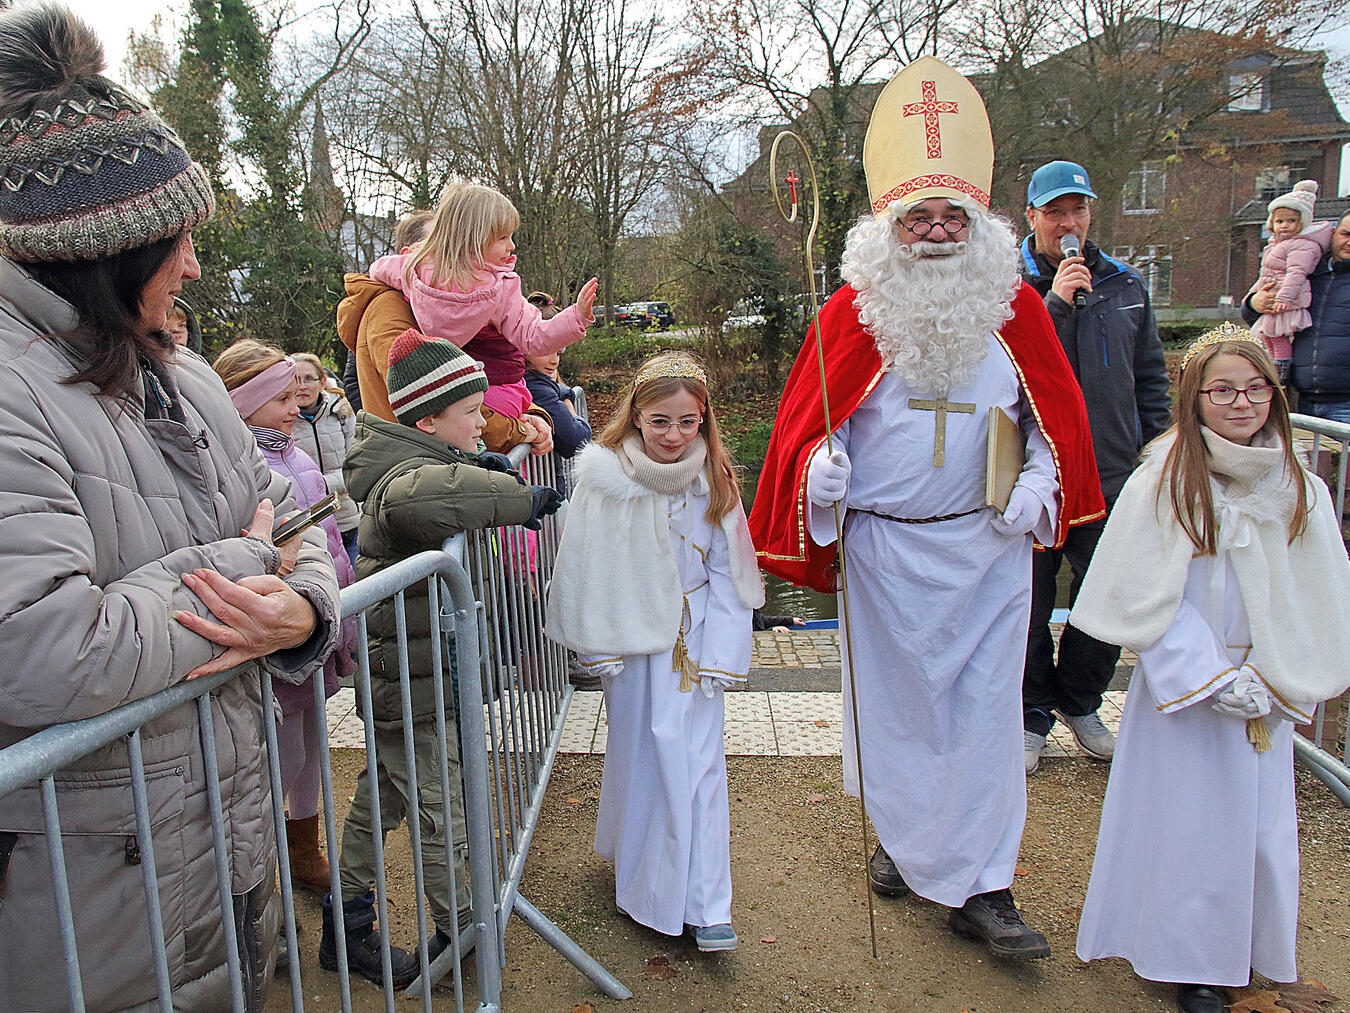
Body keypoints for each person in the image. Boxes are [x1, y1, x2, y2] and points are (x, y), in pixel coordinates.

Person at [0, 7, 341, 1009]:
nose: (193, 266)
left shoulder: (178, 374)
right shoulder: (11, 394)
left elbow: (288, 515)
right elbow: (43, 645)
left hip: (221, 842)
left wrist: (304, 610)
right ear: (110, 252)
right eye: (180, 241)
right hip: (93, 894)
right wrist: (243, 570)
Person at [749, 58, 1102, 960]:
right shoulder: (847, 315)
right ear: (889, 225)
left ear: (977, 223)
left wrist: (1040, 484)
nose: (938, 231)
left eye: (953, 216)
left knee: (984, 718)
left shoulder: (1015, 309)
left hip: (986, 550)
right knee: (901, 717)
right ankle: (908, 845)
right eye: (920, 217)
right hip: (884, 555)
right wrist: (821, 472)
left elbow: (1050, 418)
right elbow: (805, 432)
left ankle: (985, 885)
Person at [1069, 324, 1350, 1013]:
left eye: (1256, 388)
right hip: (1190, 690)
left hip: (1266, 685)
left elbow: (1315, 590)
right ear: (1195, 399)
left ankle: (1252, 948)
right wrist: (1211, 675)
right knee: (1189, 825)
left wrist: (1277, 673)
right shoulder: (1163, 478)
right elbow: (1144, 593)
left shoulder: (1298, 486)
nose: (1241, 402)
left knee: (1256, 828)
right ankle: (1188, 958)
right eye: (1222, 390)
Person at [323, 331, 562, 987]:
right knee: (442, 815)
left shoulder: (414, 457)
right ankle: (463, 938)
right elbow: (432, 494)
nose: (483, 423)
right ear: (428, 420)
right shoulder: (402, 477)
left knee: (380, 801)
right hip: (416, 691)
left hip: (411, 681)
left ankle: (346, 924)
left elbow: (457, 476)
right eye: (470, 413)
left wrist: (490, 466)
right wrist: (526, 497)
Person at [545, 352, 763, 953]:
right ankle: (642, 878)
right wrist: (599, 646)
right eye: (660, 421)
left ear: (704, 421)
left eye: (688, 422)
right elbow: (587, 565)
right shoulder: (608, 478)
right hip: (635, 640)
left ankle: (702, 902)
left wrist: (722, 649)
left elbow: (729, 570)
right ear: (636, 417)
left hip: (695, 643)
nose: (674, 436)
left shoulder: (713, 478)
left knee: (697, 766)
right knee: (643, 756)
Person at [1018, 159, 1173, 774]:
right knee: (1025, 600)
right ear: (1031, 217)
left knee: (1108, 594)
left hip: (1110, 473)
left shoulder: (1127, 286)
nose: (1067, 223)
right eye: (1054, 212)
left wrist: (1158, 453)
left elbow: (1150, 379)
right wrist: (1053, 306)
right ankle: (1029, 712)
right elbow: (1015, 367)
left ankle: (1080, 700)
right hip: (1033, 473)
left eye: (1076, 210)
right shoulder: (1011, 291)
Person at [214, 340, 358, 897]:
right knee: (280, 749)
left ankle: (304, 844)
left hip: (316, 626)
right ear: (243, 404)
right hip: (278, 640)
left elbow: (326, 544)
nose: (296, 403)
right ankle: (269, 860)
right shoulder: (241, 467)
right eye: (278, 397)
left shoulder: (295, 456)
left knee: (311, 741)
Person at [339, 206, 555, 454]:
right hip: (419, 464)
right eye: (441, 244)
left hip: (442, 460)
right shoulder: (388, 310)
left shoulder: (438, 306)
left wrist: (532, 413)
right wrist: (520, 431)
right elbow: (442, 396)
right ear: (409, 254)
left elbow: (489, 377)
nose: (453, 253)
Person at [1243, 209, 1350, 424]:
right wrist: (1254, 303)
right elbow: (1253, 316)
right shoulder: (1306, 271)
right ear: (1333, 233)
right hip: (1300, 400)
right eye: (1346, 234)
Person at [1244, 180, 1334, 381]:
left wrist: (1283, 297)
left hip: (1286, 301)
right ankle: (1271, 368)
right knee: (1268, 335)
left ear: (1302, 222)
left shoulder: (1302, 245)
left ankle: (1280, 370)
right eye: (1280, 221)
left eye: (1291, 221)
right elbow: (1266, 274)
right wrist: (1253, 299)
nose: (1284, 226)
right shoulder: (1277, 244)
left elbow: (1296, 273)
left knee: (1278, 336)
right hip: (1273, 298)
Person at [292, 351, 361, 561]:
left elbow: (356, 467)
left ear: (322, 381)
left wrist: (319, 483)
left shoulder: (342, 413)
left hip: (350, 520)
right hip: (310, 530)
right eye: (295, 380)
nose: (302, 386)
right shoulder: (284, 420)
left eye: (309, 379)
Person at [523, 291, 592, 459]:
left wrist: (563, 392)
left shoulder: (537, 383)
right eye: (547, 351)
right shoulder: (537, 388)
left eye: (559, 353)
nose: (554, 361)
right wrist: (573, 413)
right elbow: (575, 441)